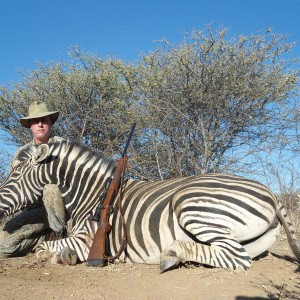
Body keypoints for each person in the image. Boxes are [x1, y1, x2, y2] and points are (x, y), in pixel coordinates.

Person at [0, 101, 67, 258]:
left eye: (44, 120)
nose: (40, 124)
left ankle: (63, 236)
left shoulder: (64, 147)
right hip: (34, 209)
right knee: (3, 246)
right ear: (30, 126)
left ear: (50, 123)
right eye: (35, 121)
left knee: (50, 189)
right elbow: (15, 189)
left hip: (63, 210)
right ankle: (46, 239)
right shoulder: (21, 154)